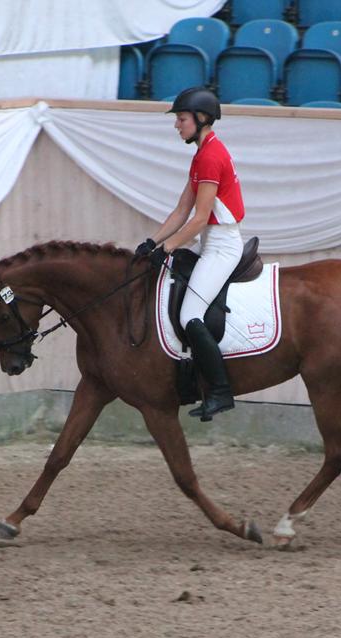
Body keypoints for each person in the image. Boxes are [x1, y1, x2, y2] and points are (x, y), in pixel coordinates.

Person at [135, 86, 245, 422]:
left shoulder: (211, 156)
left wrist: (169, 247)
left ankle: (221, 392)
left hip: (222, 245)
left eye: (181, 119)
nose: (176, 125)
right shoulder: (201, 154)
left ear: (201, 119)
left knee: (189, 316)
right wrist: (152, 242)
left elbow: (199, 218)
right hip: (209, 242)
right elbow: (182, 209)